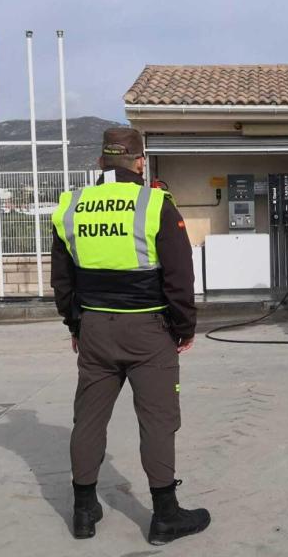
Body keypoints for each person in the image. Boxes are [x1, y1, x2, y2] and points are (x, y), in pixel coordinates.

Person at [50, 127, 210, 546]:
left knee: (88, 418)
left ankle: (83, 510)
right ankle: (165, 516)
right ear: (140, 162)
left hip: (96, 329)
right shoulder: (155, 203)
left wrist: (75, 325)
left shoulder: (73, 206)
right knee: (157, 420)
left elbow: (62, 280)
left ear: (101, 162)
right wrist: (184, 328)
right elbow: (179, 276)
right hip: (148, 331)